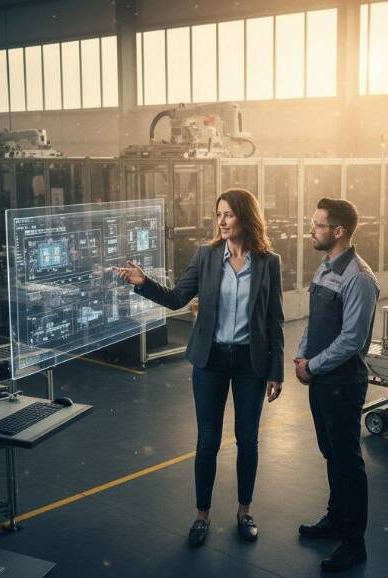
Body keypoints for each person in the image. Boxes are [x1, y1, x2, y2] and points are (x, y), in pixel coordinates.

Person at [115, 188, 284, 547]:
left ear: (246, 217)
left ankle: (244, 511)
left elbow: (274, 320)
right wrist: (143, 283)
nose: (221, 221)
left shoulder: (269, 262)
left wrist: (276, 371)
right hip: (211, 360)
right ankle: (202, 515)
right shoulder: (206, 257)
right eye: (218, 214)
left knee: (248, 441)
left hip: (251, 363)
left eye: (229, 214)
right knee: (207, 442)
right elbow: (178, 297)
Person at [294, 198, 379, 572]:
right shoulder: (326, 268)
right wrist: (301, 356)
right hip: (321, 378)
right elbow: (316, 323)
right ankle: (335, 519)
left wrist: (312, 365)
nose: (312, 230)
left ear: (338, 231)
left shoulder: (358, 277)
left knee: (348, 461)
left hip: (343, 382)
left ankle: (353, 541)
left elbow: (352, 341)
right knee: (332, 453)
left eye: (318, 225)